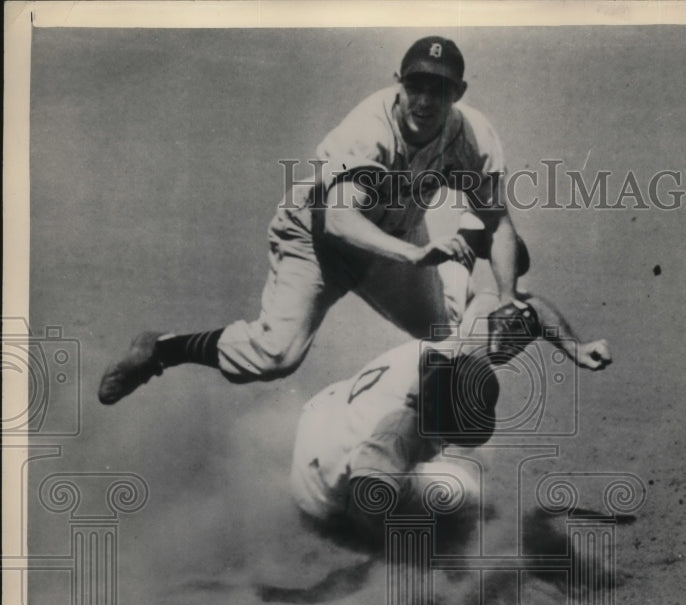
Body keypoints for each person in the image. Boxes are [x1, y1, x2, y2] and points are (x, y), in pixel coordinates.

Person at [98, 36, 531, 405]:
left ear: (459, 92)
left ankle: (469, 259)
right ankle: (160, 349)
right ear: (398, 83)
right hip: (316, 242)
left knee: (446, 332)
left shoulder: (475, 137)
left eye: (438, 89)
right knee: (276, 356)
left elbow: (499, 221)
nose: (424, 100)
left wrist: (509, 297)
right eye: (415, 85)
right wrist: (416, 255)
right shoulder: (369, 130)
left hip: (393, 243)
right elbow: (339, 221)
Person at [289, 294, 611, 542]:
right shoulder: (398, 429)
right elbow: (367, 492)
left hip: (323, 413)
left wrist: (575, 348)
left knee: (464, 466)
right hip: (319, 491)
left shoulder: (457, 352)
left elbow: (528, 308)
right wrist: (397, 544)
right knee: (463, 494)